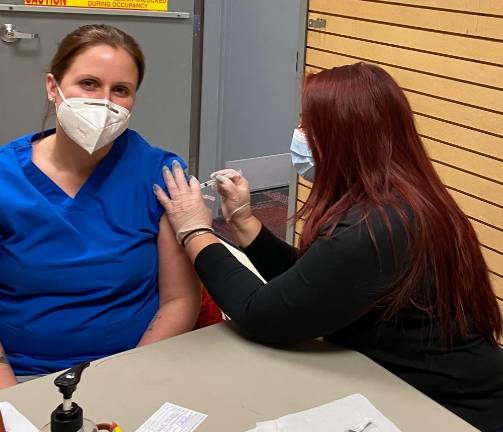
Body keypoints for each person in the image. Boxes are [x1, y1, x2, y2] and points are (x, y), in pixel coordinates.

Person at [154, 63, 503, 432]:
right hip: (421, 389)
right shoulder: (398, 201)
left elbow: (264, 315)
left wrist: (195, 232)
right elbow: (315, 282)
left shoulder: (376, 226)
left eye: (308, 126)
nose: (298, 136)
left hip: (455, 413)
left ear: (347, 137)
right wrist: (244, 223)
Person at [0, 24, 203, 387]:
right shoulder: (5, 177)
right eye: (89, 83)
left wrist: (128, 380)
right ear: (53, 87)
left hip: (132, 365)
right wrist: (10, 400)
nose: (103, 101)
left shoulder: (159, 174)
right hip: (20, 373)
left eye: (120, 90)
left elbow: (179, 299)